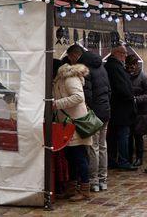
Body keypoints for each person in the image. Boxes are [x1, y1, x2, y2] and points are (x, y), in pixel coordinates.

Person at [66, 44, 111, 192]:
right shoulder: (102, 67)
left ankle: (93, 181)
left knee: (93, 147)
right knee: (102, 146)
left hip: (94, 112)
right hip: (105, 110)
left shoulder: (84, 70)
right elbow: (108, 89)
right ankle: (103, 179)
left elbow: (87, 94)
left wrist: (88, 108)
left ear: (74, 56)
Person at [53, 63, 92, 201]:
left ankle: (85, 190)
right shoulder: (60, 80)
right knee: (70, 158)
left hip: (77, 124)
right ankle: (71, 189)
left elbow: (79, 97)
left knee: (79, 157)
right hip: (67, 125)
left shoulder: (69, 79)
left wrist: (56, 104)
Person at [104, 44, 137, 170]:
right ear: (118, 53)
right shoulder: (115, 67)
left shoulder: (112, 66)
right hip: (121, 108)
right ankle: (123, 161)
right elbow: (123, 89)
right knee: (123, 135)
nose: (126, 56)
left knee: (113, 136)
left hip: (116, 107)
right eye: (124, 54)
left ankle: (112, 160)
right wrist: (130, 97)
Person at [125, 54, 147, 168]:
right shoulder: (126, 75)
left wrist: (137, 99)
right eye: (128, 66)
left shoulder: (143, 77)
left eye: (131, 67)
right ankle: (129, 158)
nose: (130, 69)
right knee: (129, 135)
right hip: (129, 111)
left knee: (138, 136)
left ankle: (139, 158)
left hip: (140, 110)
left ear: (136, 65)